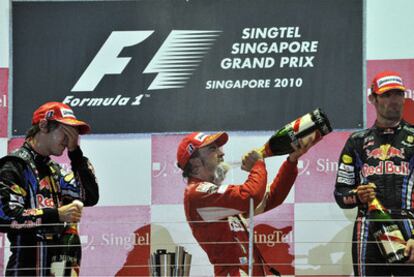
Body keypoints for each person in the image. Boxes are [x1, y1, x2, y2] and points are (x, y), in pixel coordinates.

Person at [176, 131, 317, 276]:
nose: (221, 153)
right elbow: (250, 195)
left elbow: (272, 198)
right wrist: (258, 164)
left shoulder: (214, 197)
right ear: (195, 161)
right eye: (212, 149)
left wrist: (291, 161)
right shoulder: (197, 193)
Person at [0, 102, 99, 276]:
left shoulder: (54, 170)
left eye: (74, 135)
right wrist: (57, 215)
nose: (70, 139)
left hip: (56, 271)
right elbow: (5, 217)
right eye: (66, 132)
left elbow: (89, 197)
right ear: (44, 126)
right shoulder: (14, 165)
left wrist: (75, 153)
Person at [334, 71, 414, 276]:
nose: (394, 100)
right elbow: (341, 193)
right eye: (387, 95)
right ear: (373, 99)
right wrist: (358, 195)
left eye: (398, 94)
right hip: (368, 227)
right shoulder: (357, 141)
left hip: (409, 226)